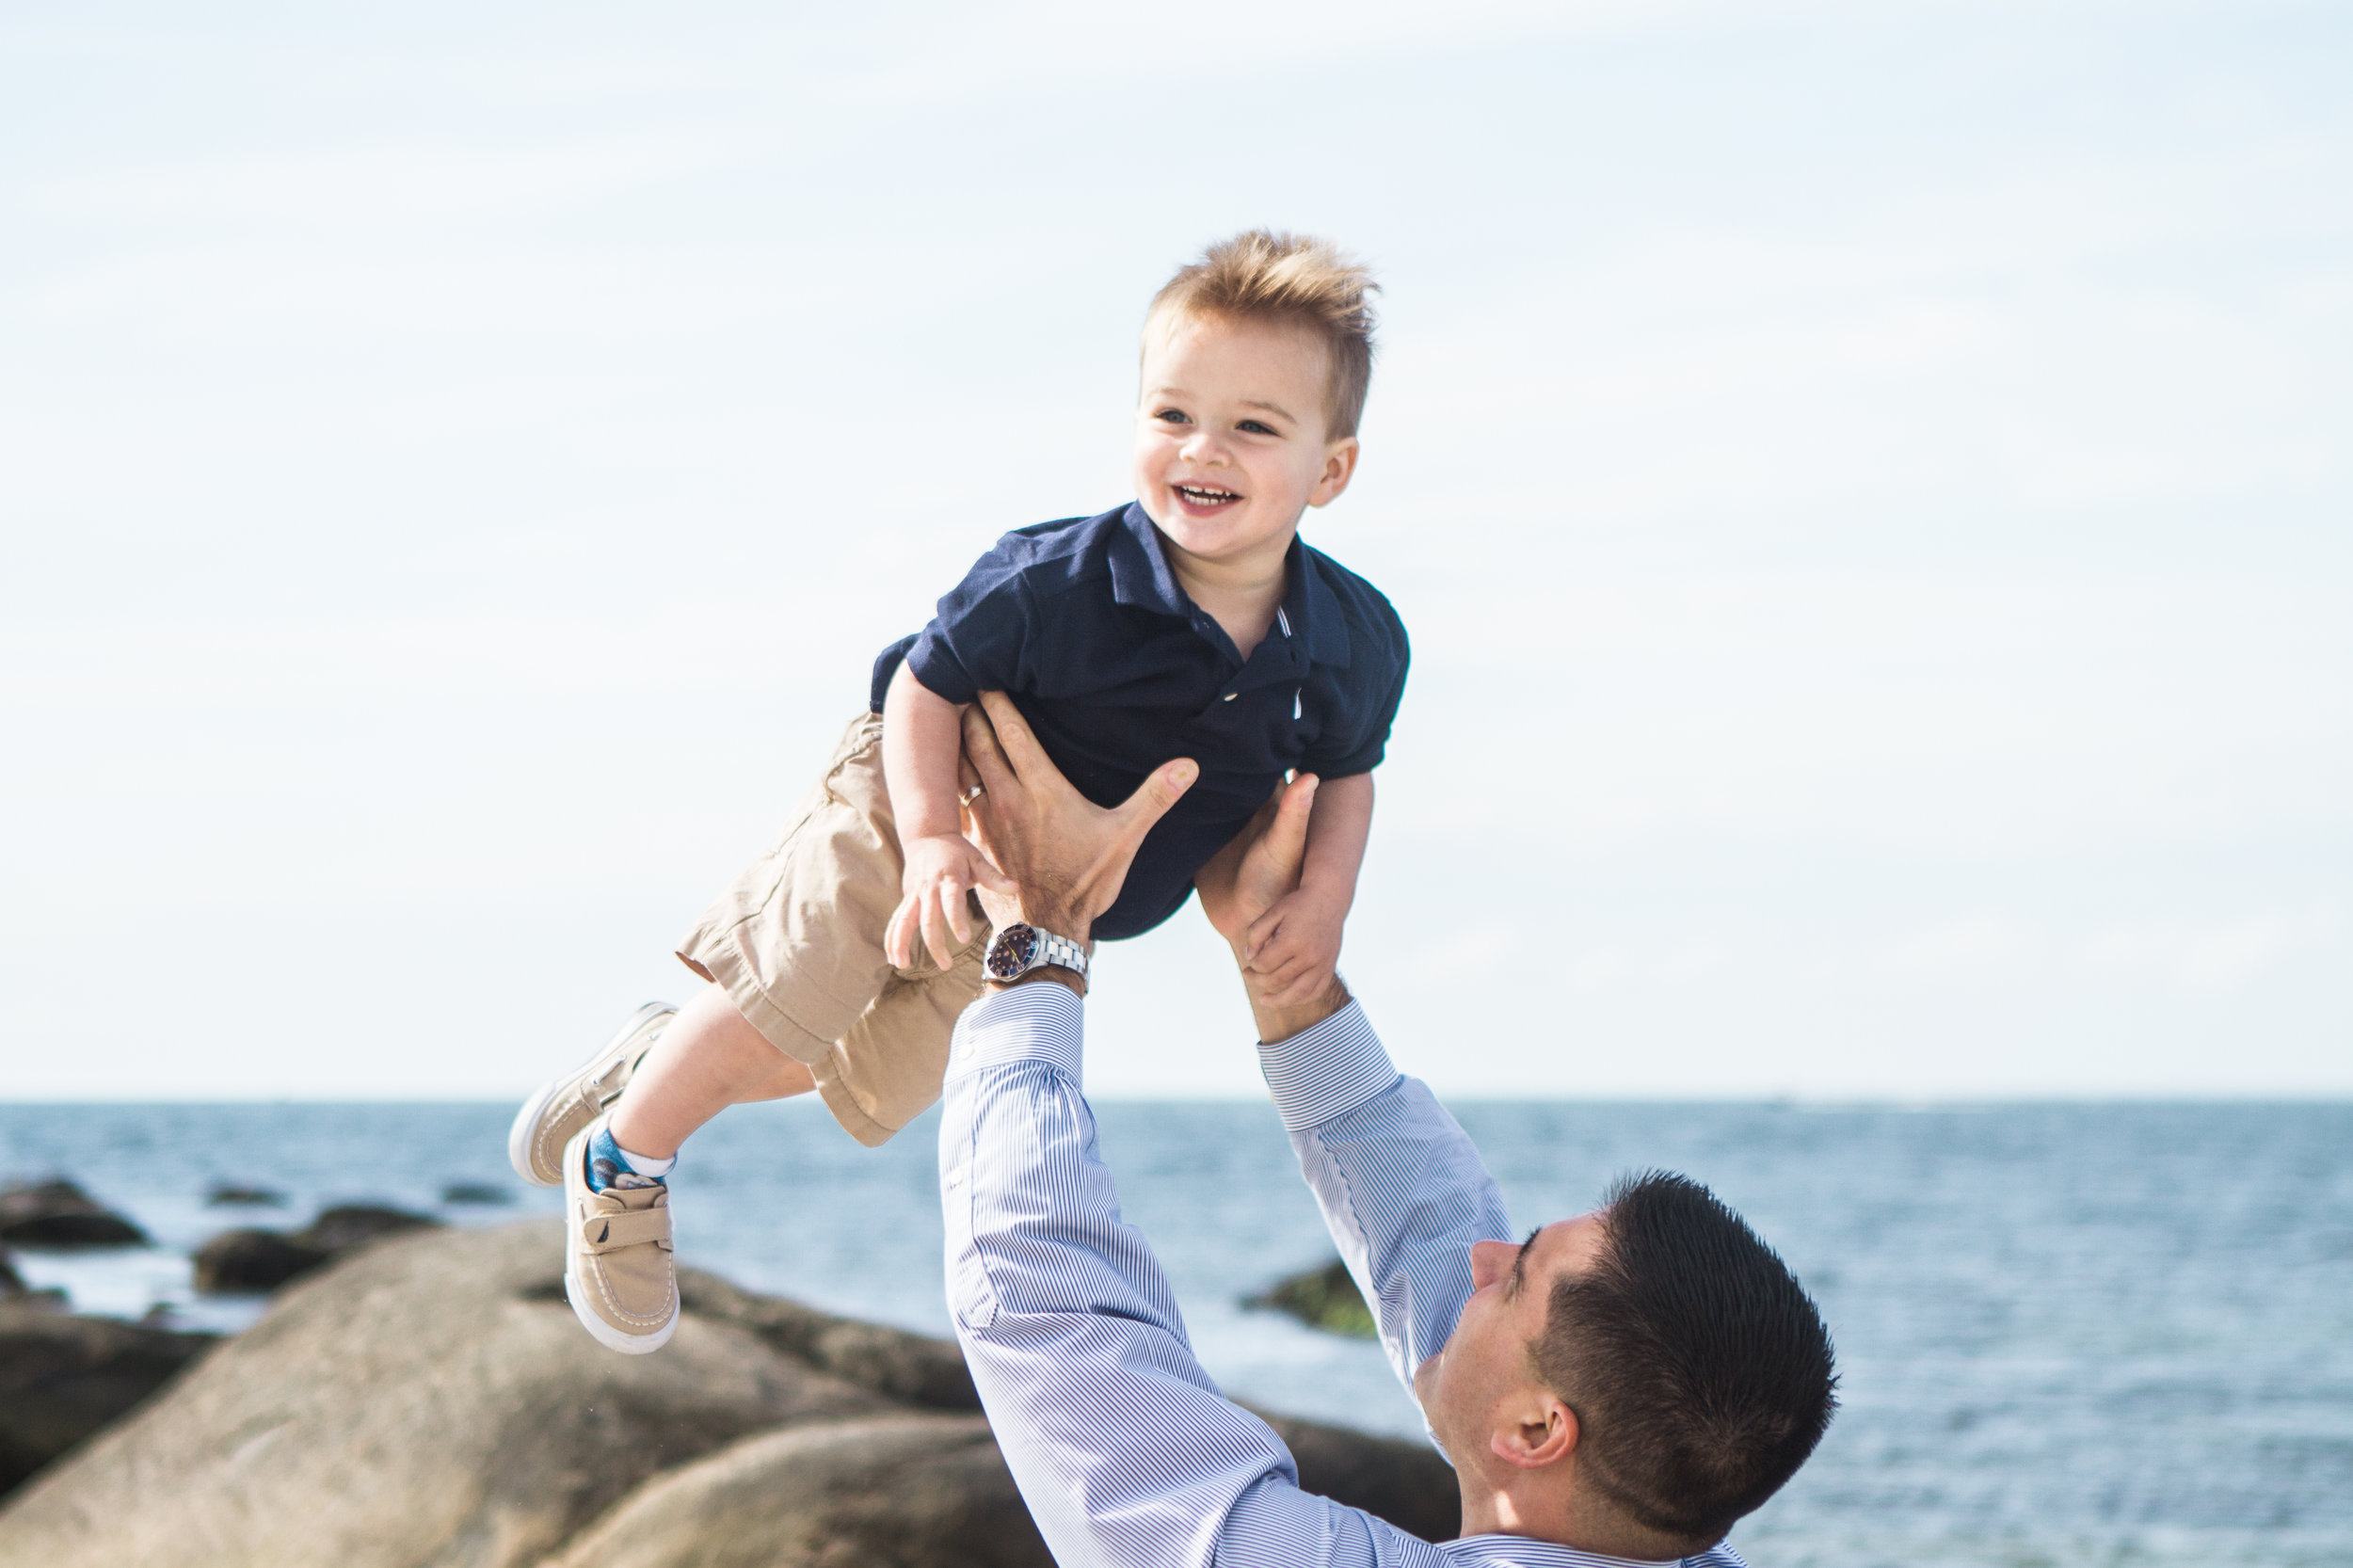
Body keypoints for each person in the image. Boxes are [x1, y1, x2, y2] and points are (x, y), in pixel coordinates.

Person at [506, 230, 1412, 1353]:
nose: (1202, 448)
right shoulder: (1056, 581)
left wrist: (1321, 900)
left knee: (858, 1068)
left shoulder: (1352, 639)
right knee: (800, 987)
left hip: (1038, 911)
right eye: (1171, 414)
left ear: (1331, 469)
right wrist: (933, 836)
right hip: (911, 805)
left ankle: (653, 1058)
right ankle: (624, 1159)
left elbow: (1350, 771)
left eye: (1253, 426)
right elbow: (931, 681)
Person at [940, 692, 1837, 1566]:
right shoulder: (1669, 1528)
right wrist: (1287, 978)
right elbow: (1435, 1233)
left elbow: (1040, 1294)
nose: (1483, 1259)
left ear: (1537, 1430)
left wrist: (1043, 931)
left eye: (1514, 1276)